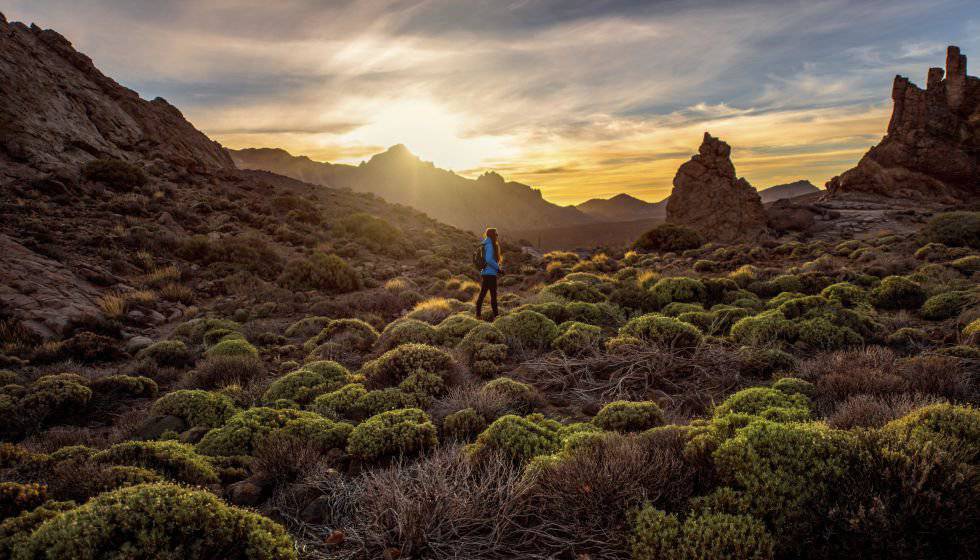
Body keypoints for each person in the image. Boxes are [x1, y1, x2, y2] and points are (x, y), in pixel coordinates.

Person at [476, 227, 502, 320]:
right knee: (493, 296)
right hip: (490, 273)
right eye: (496, 234)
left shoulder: (485, 243)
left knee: (483, 294)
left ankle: (478, 315)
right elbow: (489, 259)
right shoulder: (490, 245)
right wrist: (498, 268)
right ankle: (496, 316)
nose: (497, 236)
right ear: (492, 235)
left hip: (485, 272)